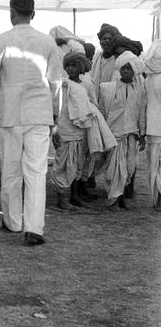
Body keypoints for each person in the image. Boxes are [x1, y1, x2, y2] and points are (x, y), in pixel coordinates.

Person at [0, 0, 62, 246]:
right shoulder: (47, 41)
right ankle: (35, 228)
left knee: (11, 169)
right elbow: (56, 82)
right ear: (33, 13)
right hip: (39, 114)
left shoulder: (0, 40)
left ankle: (12, 221)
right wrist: (55, 114)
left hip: (9, 114)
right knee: (37, 170)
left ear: (11, 12)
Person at [98, 51, 146, 211]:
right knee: (114, 170)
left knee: (128, 168)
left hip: (131, 135)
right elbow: (103, 112)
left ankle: (120, 196)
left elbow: (141, 112)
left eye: (128, 68)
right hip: (114, 135)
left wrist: (143, 135)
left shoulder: (139, 89)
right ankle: (113, 200)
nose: (125, 71)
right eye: (123, 68)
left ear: (134, 71)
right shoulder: (109, 89)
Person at [51, 52, 96, 211]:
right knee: (63, 166)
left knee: (76, 166)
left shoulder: (84, 85)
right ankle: (61, 201)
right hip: (65, 132)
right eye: (68, 65)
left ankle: (71, 198)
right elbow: (55, 110)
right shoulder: (62, 86)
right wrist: (54, 131)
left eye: (74, 65)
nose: (70, 68)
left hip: (79, 133)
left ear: (81, 67)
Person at [144, 41, 161, 210]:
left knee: (154, 165)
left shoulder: (148, 78)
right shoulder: (151, 78)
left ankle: (157, 199)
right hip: (154, 128)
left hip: (152, 129)